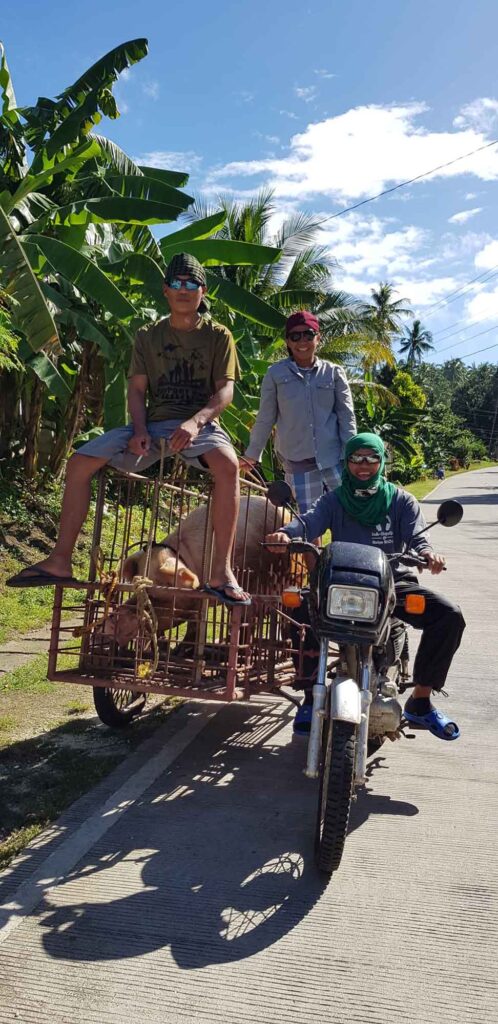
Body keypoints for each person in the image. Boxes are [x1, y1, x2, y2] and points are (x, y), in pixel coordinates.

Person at [8, 252, 250, 607]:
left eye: (192, 284)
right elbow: (136, 390)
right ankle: (59, 560)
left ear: (203, 291)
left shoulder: (218, 335)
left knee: (228, 466)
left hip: (201, 422)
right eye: (177, 284)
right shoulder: (147, 335)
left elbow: (225, 391)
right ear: (166, 290)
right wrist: (139, 429)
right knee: (78, 464)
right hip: (153, 423)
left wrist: (196, 421)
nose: (184, 290)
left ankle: (221, 573)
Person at [266, 432, 465, 736]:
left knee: (450, 616)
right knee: (299, 609)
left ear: (381, 462)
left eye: (371, 458)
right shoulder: (334, 499)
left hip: (393, 585)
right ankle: (309, 695)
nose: (364, 465)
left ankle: (421, 701)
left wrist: (427, 554)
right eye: (356, 458)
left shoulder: (401, 501)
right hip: (340, 584)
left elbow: (418, 538)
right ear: (346, 463)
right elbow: (308, 522)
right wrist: (286, 533)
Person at [242, 311, 357, 512]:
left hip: (334, 459)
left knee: (347, 513)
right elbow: (265, 418)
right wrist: (252, 455)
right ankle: (315, 545)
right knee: (310, 520)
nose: (302, 340)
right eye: (295, 336)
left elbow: (346, 416)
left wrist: (353, 454)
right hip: (298, 462)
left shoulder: (334, 372)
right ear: (288, 341)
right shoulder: (275, 374)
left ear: (318, 338)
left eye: (308, 334)